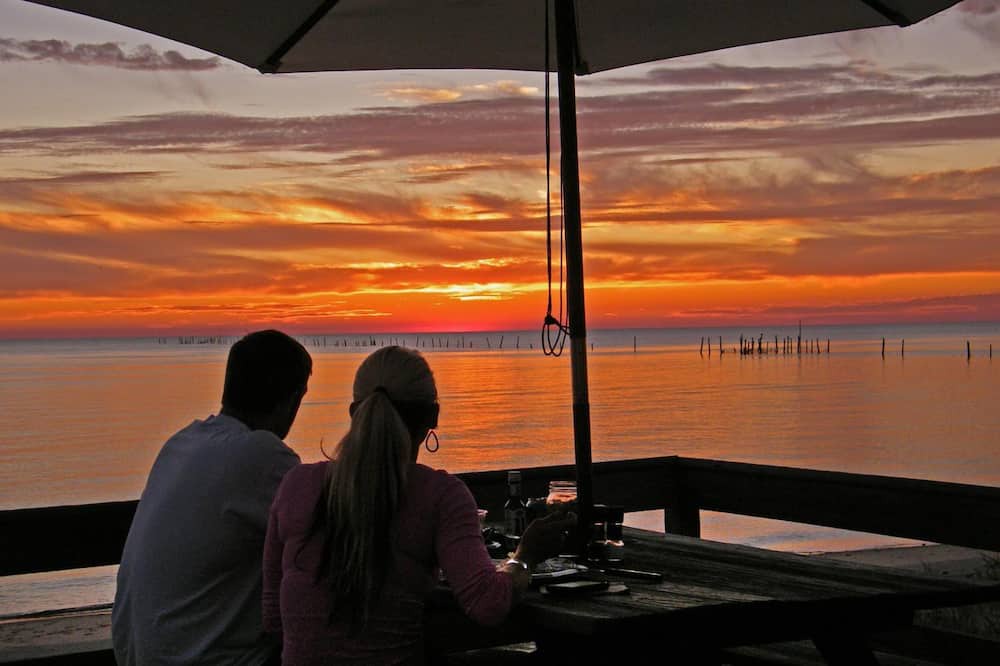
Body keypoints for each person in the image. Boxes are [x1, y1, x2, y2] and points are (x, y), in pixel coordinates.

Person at [263, 346, 573, 665]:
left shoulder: (295, 485)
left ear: (354, 412)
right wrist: (525, 556)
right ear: (432, 417)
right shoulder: (440, 496)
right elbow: (488, 603)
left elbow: (273, 618)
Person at [113, 330, 312, 666]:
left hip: (137, 654)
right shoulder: (263, 455)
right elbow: (338, 541)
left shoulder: (181, 443)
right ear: (290, 399)